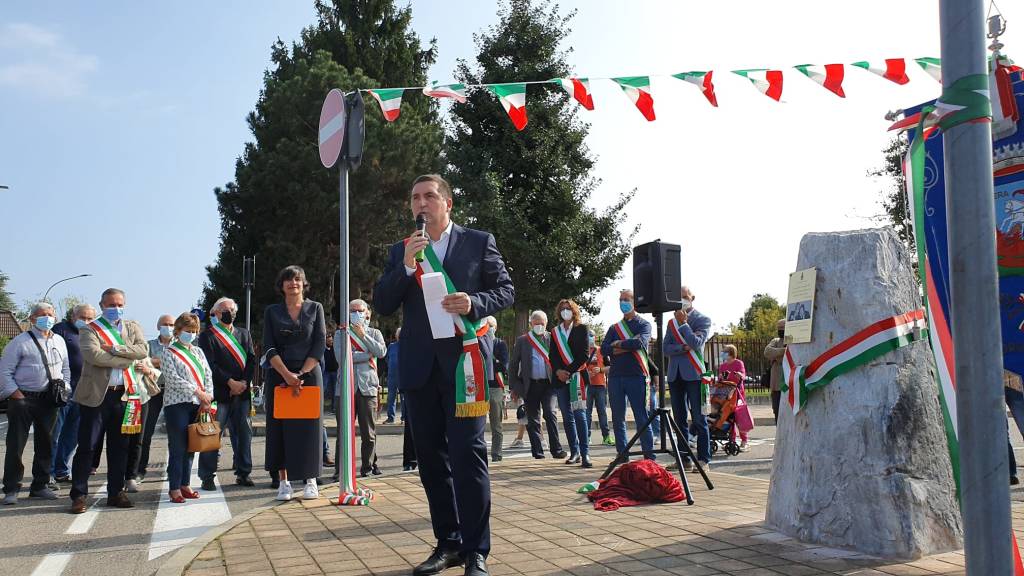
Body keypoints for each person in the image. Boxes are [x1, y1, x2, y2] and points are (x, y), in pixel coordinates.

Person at [373, 173, 515, 576]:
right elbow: (383, 303)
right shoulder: (402, 250)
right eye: (415, 198)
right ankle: (448, 543)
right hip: (419, 369)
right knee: (432, 462)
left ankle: (476, 551)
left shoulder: (477, 241)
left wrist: (473, 301)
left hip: (464, 365)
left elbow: (506, 291)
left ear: (447, 203)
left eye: (430, 196)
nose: (422, 204)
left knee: (468, 457)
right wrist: (403, 267)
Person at [71, 288, 149, 513]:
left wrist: (115, 349)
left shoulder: (132, 327)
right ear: (102, 305)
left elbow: (142, 350)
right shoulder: (89, 328)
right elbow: (93, 355)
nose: (116, 309)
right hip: (96, 395)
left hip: (123, 394)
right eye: (111, 305)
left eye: (120, 304)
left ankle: (116, 492)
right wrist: (125, 359)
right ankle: (79, 495)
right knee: (87, 446)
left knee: (120, 447)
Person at [264, 265, 326, 501]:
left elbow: (319, 343)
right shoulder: (272, 311)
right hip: (279, 375)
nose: (293, 283)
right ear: (282, 285)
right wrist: (287, 375)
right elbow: (269, 346)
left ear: (304, 283)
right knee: (279, 429)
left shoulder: (315, 308)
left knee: (309, 428)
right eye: (288, 280)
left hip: (308, 376)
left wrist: (300, 374)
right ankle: (284, 482)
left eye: (298, 279)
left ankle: (310, 480)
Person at [1, 302, 70, 504]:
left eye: (50, 314)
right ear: (32, 318)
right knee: (16, 445)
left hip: (49, 400)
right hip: (23, 399)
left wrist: (65, 388)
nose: (47, 318)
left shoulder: (59, 341)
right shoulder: (20, 342)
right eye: (42, 314)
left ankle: (40, 485)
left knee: (46, 444)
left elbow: (66, 368)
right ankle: (11, 489)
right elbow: (4, 371)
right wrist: (16, 395)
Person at [197, 297, 256, 490]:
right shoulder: (208, 336)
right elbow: (210, 365)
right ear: (215, 313)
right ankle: (207, 476)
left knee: (244, 434)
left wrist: (243, 382)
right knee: (212, 435)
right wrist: (230, 382)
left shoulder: (244, 334)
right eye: (223, 310)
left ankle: (243, 473)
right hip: (220, 393)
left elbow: (251, 361)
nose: (228, 312)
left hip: (242, 393)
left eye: (231, 309)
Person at [161, 313, 214, 503]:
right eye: (187, 330)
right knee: (178, 447)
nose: (191, 334)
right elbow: (173, 379)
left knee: (192, 446)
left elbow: (208, 374)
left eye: (194, 331)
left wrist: (208, 397)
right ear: (178, 331)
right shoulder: (168, 352)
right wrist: (198, 392)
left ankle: (185, 484)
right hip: (177, 404)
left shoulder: (198, 352)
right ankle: (174, 487)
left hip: (198, 404)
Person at [601, 289, 655, 461]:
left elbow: (639, 343)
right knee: (618, 418)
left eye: (626, 299)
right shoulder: (614, 327)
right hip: (616, 377)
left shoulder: (644, 325)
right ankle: (622, 454)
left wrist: (618, 344)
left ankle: (649, 456)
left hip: (636, 376)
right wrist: (624, 347)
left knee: (641, 417)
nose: (622, 302)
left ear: (634, 301)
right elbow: (604, 349)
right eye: (620, 299)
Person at [335, 298, 386, 478]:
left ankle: (367, 467)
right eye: (352, 310)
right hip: (345, 388)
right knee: (343, 432)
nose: (356, 313)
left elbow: (381, 352)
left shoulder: (375, 333)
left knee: (368, 433)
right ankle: (341, 470)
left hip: (367, 388)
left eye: (359, 310)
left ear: (367, 314)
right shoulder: (341, 334)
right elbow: (342, 358)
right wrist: (366, 354)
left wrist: (363, 336)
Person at [663, 286, 712, 470]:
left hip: (694, 374)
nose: (683, 300)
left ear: (692, 298)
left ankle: (704, 459)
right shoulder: (670, 323)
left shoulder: (702, 320)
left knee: (699, 418)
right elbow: (665, 348)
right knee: (679, 419)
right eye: (680, 297)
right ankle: (684, 459)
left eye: (685, 297)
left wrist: (684, 324)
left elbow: (696, 343)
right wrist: (682, 348)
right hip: (675, 374)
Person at [509, 311, 565, 460]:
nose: (539, 326)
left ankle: (556, 450)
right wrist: (513, 387)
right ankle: (538, 452)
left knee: (550, 413)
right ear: (531, 324)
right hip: (530, 385)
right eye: (536, 323)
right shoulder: (523, 340)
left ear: (546, 324)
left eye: (542, 323)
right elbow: (514, 365)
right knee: (532, 419)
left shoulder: (552, 339)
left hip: (549, 385)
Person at [51, 304, 96, 484]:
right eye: (82, 317)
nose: (86, 321)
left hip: (84, 391)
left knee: (73, 434)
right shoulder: (60, 330)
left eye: (89, 318)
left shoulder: (94, 334)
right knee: (55, 433)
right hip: (63, 391)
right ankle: (48, 473)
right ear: (73, 316)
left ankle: (62, 470)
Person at [549, 299, 592, 468]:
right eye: (562, 309)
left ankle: (585, 452)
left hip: (577, 377)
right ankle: (574, 452)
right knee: (567, 417)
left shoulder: (582, 329)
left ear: (574, 311)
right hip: (560, 379)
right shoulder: (555, 332)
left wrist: (568, 371)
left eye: (568, 309)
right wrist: (559, 372)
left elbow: (584, 354)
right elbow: (552, 356)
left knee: (580, 415)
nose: (565, 311)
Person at [137, 314, 174, 481]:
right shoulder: (148, 345)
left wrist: (155, 361)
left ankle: (173, 468)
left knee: (175, 432)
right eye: (165, 324)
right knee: (146, 431)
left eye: (172, 324)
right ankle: (140, 469)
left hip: (174, 391)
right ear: (158, 327)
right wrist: (160, 362)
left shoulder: (179, 345)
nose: (168, 327)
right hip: (153, 390)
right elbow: (143, 363)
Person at [485, 317, 509, 462]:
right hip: (480, 387)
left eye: (491, 326)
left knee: (496, 424)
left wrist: (491, 362)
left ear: (496, 327)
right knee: (477, 425)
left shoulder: (500, 344)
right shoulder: (478, 341)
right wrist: (495, 362)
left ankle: (497, 454)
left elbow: (503, 366)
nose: (489, 328)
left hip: (495, 387)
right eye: (487, 325)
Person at [717, 344, 749, 451]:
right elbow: (720, 380)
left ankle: (744, 440)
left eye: (725, 351)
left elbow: (743, 375)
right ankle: (732, 440)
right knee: (729, 417)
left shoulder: (738, 363)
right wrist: (720, 378)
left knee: (739, 417)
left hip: (737, 393)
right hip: (726, 395)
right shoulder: (722, 366)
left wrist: (740, 374)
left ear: (731, 353)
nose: (723, 354)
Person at [584, 330, 612, 446]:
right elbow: (578, 367)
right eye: (588, 336)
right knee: (587, 413)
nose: (590, 338)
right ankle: (587, 437)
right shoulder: (583, 352)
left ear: (595, 337)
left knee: (602, 413)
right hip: (587, 386)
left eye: (591, 336)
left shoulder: (602, 351)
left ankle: (606, 437)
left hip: (600, 385)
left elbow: (610, 367)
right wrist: (586, 374)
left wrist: (600, 370)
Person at [764, 319, 787, 423]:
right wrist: (784, 351)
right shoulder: (775, 341)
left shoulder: (794, 341)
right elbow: (768, 352)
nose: (780, 330)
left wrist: (776, 355)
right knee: (777, 411)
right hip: (776, 385)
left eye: (783, 328)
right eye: (779, 328)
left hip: (789, 385)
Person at [386, 329, 402, 424]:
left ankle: (404, 418)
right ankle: (390, 418)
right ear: (396, 336)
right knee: (391, 397)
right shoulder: (391, 346)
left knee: (404, 398)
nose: (399, 336)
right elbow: (387, 358)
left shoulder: (407, 346)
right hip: (392, 375)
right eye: (398, 334)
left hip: (403, 375)